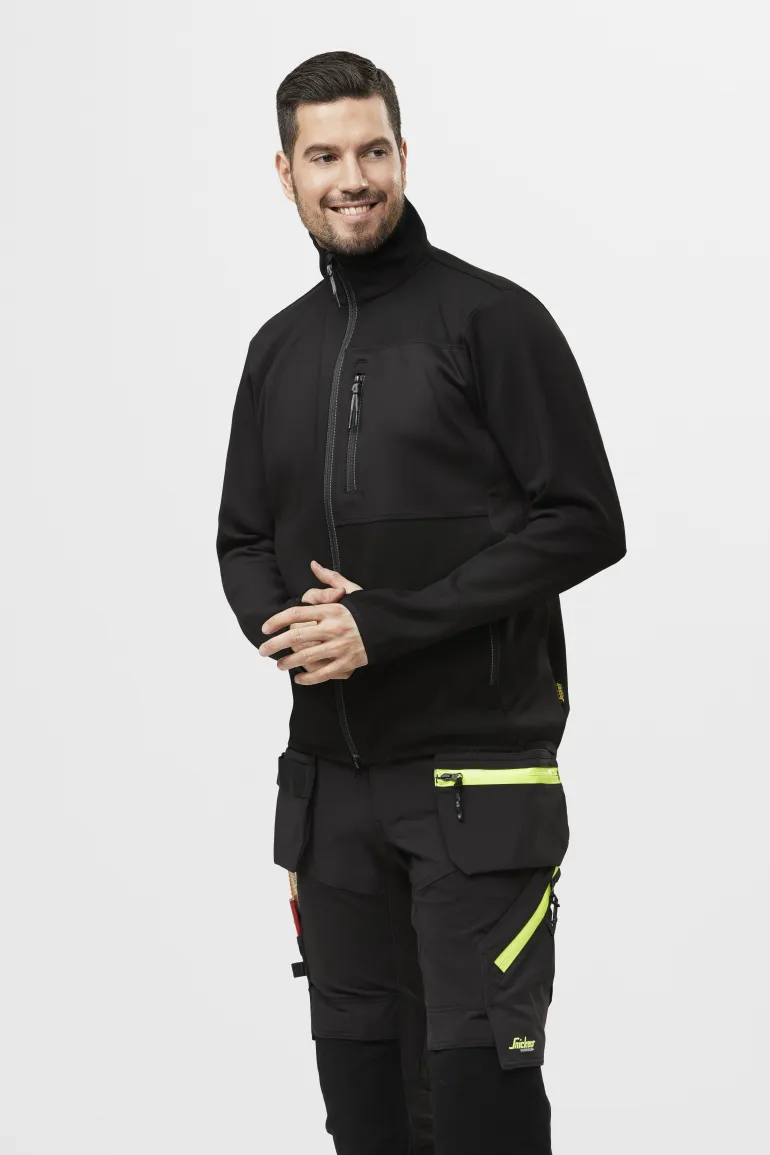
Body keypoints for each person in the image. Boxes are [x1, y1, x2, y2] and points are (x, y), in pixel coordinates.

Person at [216, 49, 626, 1155]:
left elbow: (585, 520)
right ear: (286, 172)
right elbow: (243, 537)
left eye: (371, 151)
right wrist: (293, 634)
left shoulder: (492, 320)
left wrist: (382, 625)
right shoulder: (277, 350)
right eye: (324, 156)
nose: (351, 178)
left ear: (403, 154)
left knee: (478, 1109)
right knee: (367, 1116)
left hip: (474, 788)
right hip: (329, 795)